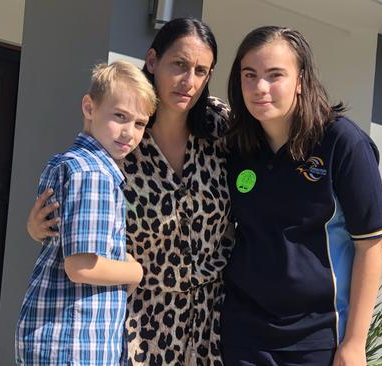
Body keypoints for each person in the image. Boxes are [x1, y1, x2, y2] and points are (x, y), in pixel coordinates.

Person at [25, 18, 234, 366]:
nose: (189, 81)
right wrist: (37, 230)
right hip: (136, 318)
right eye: (179, 65)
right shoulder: (122, 135)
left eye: (201, 71)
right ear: (152, 61)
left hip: (211, 319)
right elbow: (78, 202)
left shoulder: (220, 128)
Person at [221, 26, 382, 366]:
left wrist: (355, 343)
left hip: (316, 338)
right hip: (243, 333)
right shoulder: (236, 146)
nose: (259, 88)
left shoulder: (342, 143)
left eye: (275, 75)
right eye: (249, 75)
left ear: (301, 80)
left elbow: (371, 244)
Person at [15, 60, 157, 365]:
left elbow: (51, 238)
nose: (129, 133)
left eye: (140, 123)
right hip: (75, 338)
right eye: (120, 116)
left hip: (56, 333)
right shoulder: (94, 174)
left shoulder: (66, 162)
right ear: (89, 108)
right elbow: (80, 267)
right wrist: (135, 270)